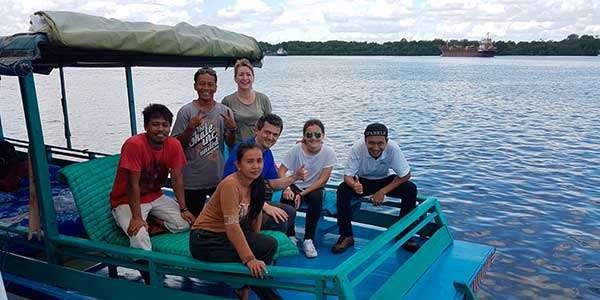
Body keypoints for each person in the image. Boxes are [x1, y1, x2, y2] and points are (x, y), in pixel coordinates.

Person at [190, 144, 282, 300]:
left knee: (268, 244)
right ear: (238, 165)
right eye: (250, 161)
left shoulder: (257, 183)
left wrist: (255, 241)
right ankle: (256, 291)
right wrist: (250, 258)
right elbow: (232, 226)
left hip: (225, 235)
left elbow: (255, 216)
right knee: (258, 253)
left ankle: (243, 284)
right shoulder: (231, 185)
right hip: (205, 240)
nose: (255, 166)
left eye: (259, 161)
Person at [110, 104, 195, 252]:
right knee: (138, 235)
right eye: (155, 125)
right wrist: (136, 217)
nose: (161, 129)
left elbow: (177, 178)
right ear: (146, 126)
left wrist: (184, 208)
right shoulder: (134, 145)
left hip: (155, 196)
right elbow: (132, 184)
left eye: (165, 125)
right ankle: (148, 272)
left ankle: (153, 222)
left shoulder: (174, 145)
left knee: (184, 223)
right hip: (126, 200)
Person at [332, 123, 419, 254]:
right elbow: (347, 176)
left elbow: (406, 174)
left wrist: (382, 191)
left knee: (410, 188)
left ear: (387, 141)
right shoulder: (357, 147)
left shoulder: (393, 148)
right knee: (343, 190)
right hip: (363, 181)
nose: (376, 147)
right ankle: (346, 235)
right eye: (371, 143)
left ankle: (405, 234)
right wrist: (354, 185)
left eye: (380, 143)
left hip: (384, 180)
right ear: (365, 140)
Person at [223, 113, 306, 238]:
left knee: (290, 212)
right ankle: (254, 242)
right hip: (237, 205)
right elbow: (232, 188)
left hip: (254, 201)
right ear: (257, 130)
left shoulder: (267, 153)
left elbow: (273, 183)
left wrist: (294, 177)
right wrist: (264, 206)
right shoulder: (243, 150)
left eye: (275, 135)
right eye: (267, 132)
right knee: (281, 222)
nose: (270, 137)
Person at [171, 67, 237, 217]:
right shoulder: (186, 111)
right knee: (193, 223)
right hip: (192, 181)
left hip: (217, 178)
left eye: (210, 84)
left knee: (221, 219)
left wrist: (232, 129)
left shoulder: (225, 111)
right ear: (195, 86)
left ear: (215, 87)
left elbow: (231, 144)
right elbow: (175, 145)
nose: (206, 88)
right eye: (202, 84)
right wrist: (190, 128)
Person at [278, 119, 336, 258]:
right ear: (304, 137)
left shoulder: (328, 152)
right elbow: (281, 171)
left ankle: (308, 239)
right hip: (296, 183)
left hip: (314, 187)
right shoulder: (296, 150)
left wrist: (302, 194)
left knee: (316, 198)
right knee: (286, 198)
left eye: (317, 135)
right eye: (309, 135)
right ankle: (290, 235)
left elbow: (323, 180)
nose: (313, 138)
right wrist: (287, 188)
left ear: (323, 136)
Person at [222, 58, 272, 143]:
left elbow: (271, 126)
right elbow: (223, 131)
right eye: (241, 75)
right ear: (235, 78)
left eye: (248, 75)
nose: (245, 78)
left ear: (253, 77)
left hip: (259, 149)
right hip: (237, 150)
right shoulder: (227, 101)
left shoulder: (263, 99)